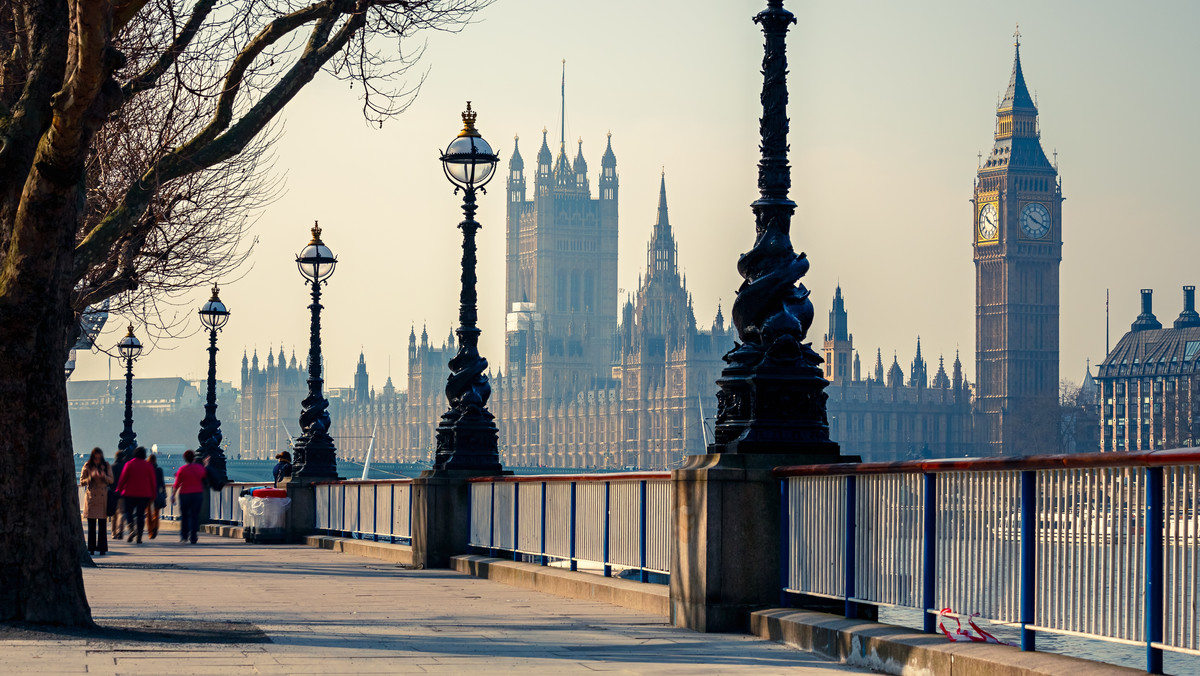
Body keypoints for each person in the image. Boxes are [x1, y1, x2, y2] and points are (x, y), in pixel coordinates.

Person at [115, 446, 156, 544]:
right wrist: (153, 494)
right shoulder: (148, 465)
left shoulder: (129, 464)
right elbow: (153, 481)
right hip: (144, 494)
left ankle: (131, 529)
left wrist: (118, 490)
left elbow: (123, 479)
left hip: (130, 493)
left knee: (129, 513)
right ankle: (140, 536)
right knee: (141, 515)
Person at [79, 448, 113, 555]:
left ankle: (102, 548)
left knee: (102, 525)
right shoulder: (87, 466)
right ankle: (91, 548)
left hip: (102, 498)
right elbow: (82, 481)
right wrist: (90, 477)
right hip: (92, 498)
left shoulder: (106, 465)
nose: (97, 460)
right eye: (95, 458)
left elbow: (111, 480)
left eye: (99, 458)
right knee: (91, 526)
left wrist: (104, 476)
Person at [172, 449, 208, 544]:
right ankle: (193, 536)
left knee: (184, 516)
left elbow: (177, 484)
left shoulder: (182, 469)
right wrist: (206, 464)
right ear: (194, 458)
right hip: (197, 494)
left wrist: (173, 495)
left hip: (184, 494)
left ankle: (184, 536)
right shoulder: (199, 468)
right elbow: (204, 474)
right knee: (194, 515)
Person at [146, 453, 167, 539]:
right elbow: (162, 483)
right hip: (157, 493)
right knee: (156, 513)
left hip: (147, 493)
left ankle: (150, 531)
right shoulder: (159, 470)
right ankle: (155, 527)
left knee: (148, 513)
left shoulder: (146, 470)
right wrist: (164, 493)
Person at [109, 449, 127, 539]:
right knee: (121, 512)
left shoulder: (112, 467)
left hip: (112, 493)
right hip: (122, 493)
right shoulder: (124, 467)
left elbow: (108, 481)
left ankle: (113, 532)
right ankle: (120, 530)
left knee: (113, 514)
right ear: (123, 458)